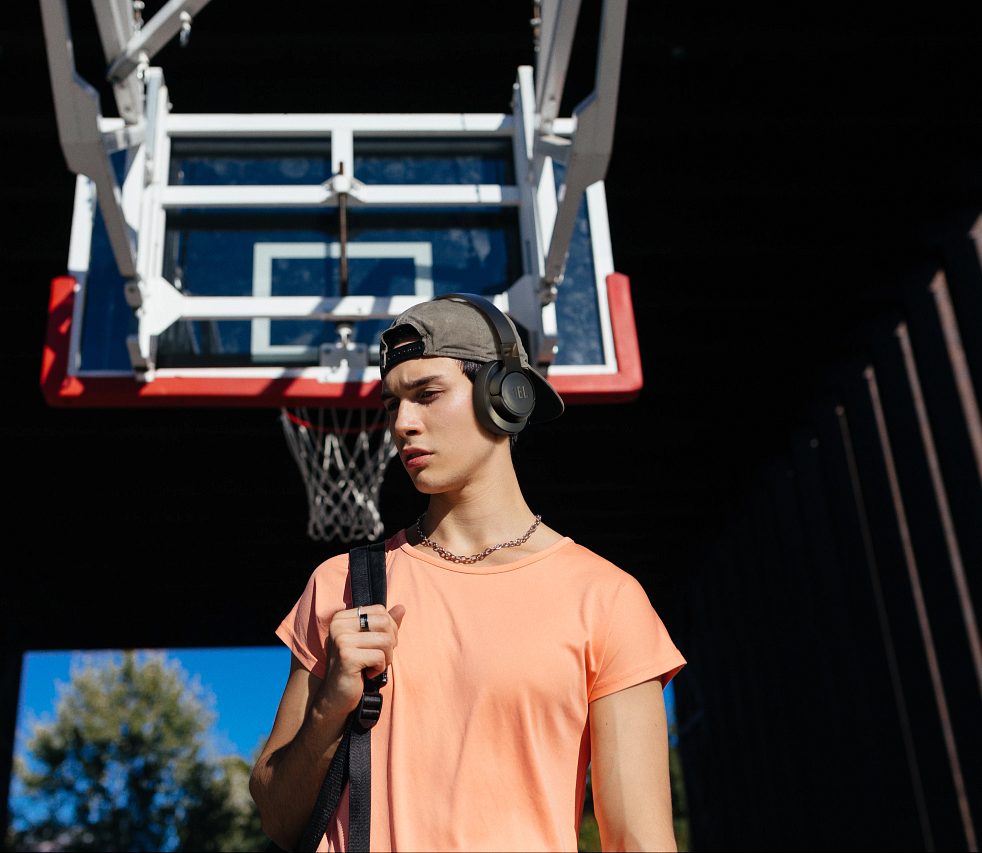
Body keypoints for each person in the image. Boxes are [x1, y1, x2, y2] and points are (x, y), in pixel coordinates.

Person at [250, 296, 685, 852]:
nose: (403, 423)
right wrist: (329, 706)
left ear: (507, 397)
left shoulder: (606, 599)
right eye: (392, 404)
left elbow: (639, 841)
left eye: (427, 395)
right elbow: (278, 820)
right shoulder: (343, 585)